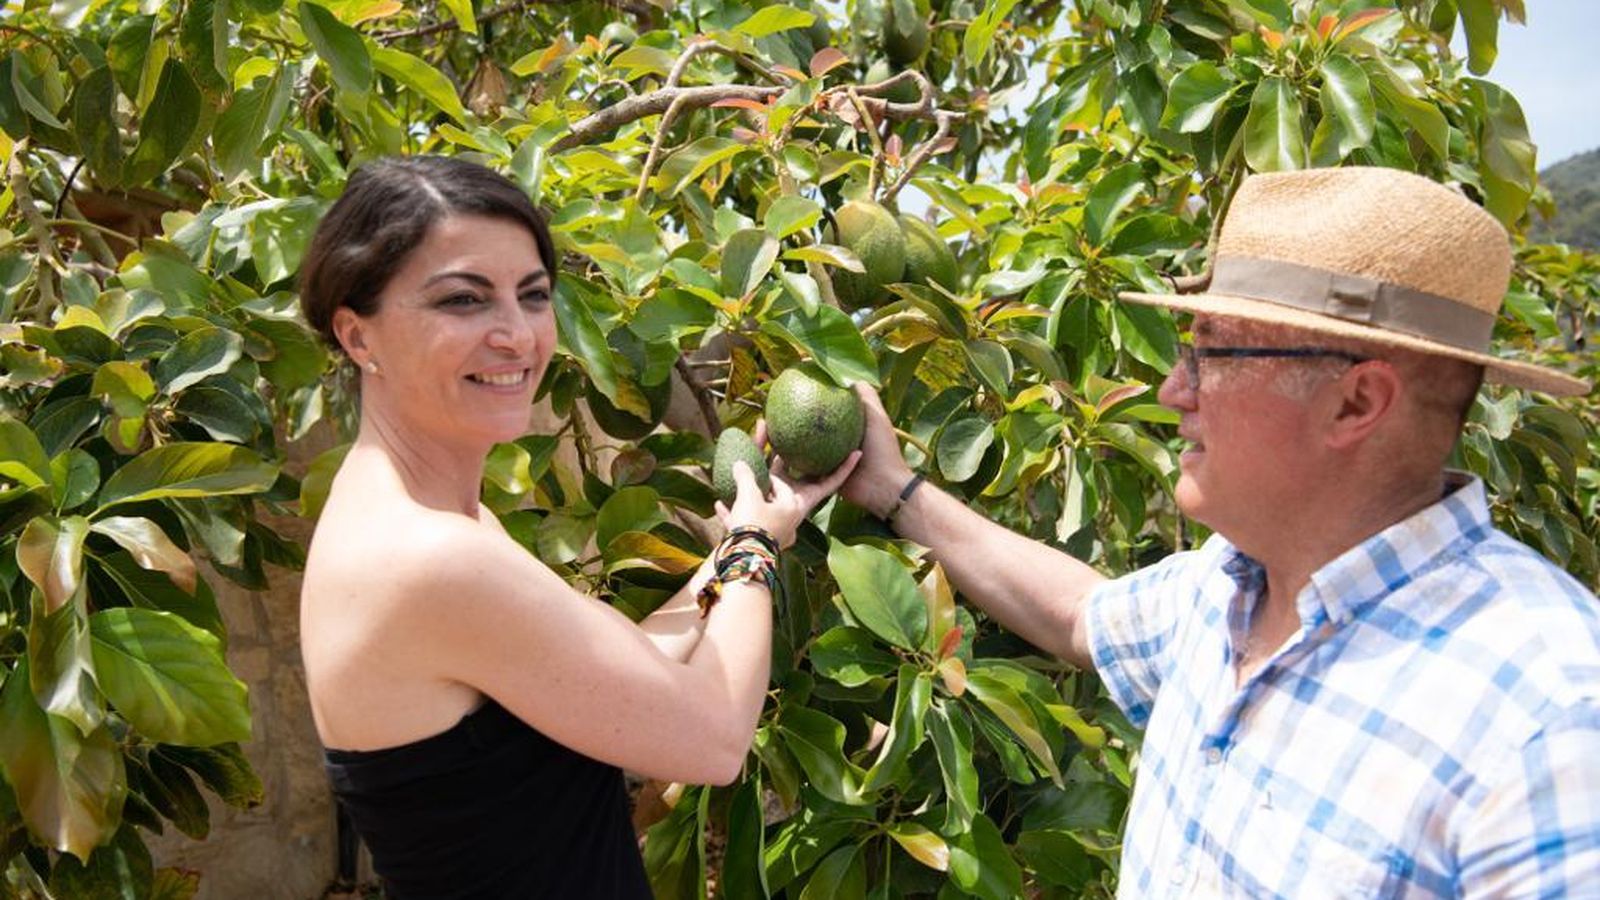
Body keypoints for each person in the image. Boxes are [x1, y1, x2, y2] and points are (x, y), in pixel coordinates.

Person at [831, 167, 1598, 896]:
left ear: (1356, 403)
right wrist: (895, 490)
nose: (1171, 390)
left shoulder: (1548, 715)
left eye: (1209, 356)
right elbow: (1077, 614)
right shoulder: (1228, 585)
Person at [296, 156, 857, 898]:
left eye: (533, 296)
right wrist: (754, 549)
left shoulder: (420, 516)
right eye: (463, 300)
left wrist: (737, 545)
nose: (518, 335)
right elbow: (713, 737)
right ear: (358, 337)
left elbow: (623, 668)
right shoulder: (429, 556)